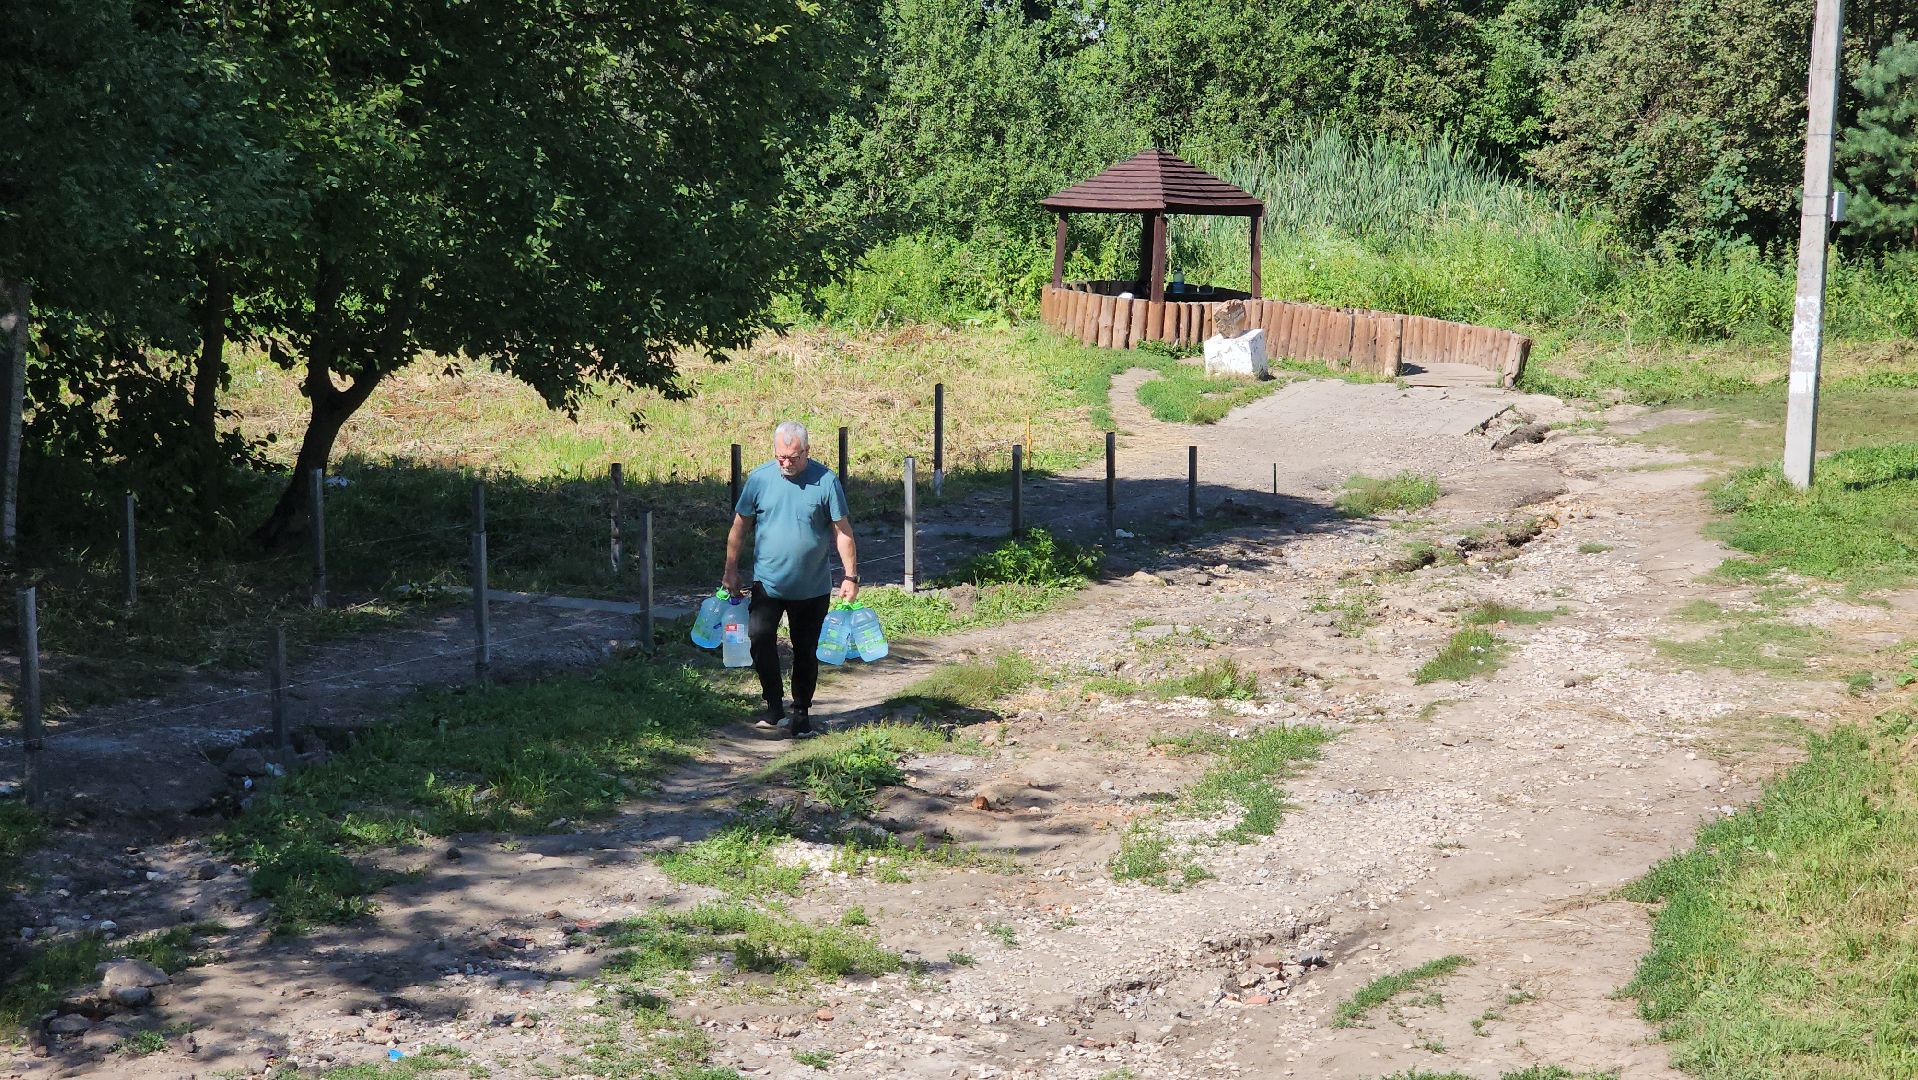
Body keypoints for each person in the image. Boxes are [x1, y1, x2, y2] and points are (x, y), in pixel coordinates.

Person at [723, 421, 859, 737]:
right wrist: (730, 569)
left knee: (804, 649)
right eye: (781, 457)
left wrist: (850, 576)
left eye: (793, 457)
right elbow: (739, 527)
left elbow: (842, 531)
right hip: (768, 583)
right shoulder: (759, 480)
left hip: (812, 587)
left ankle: (800, 711)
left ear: (807, 452)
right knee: (760, 639)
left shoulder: (826, 481)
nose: (786, 463)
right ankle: (773, 706)